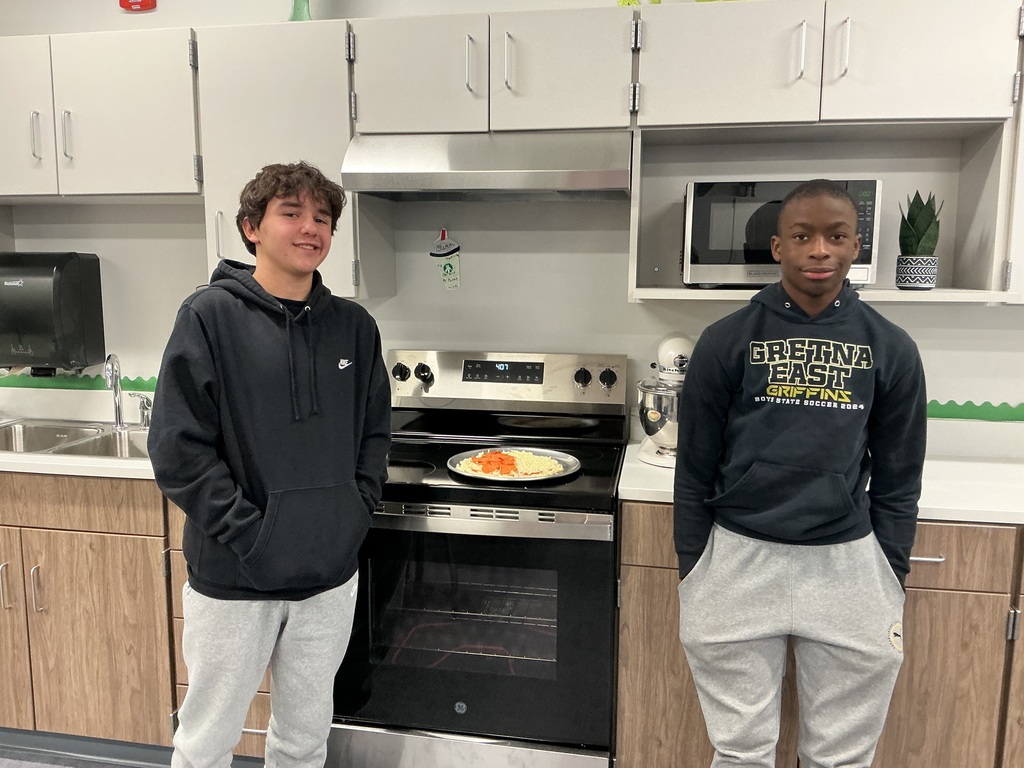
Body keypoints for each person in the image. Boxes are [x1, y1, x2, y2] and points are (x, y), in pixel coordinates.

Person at [673, 178, 927, 768]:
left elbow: (900, 476)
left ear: (856, 246)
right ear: (777, 247)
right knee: (740, 753)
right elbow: (694, 471)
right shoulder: (725, 341)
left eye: (836, 236)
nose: (820, 250)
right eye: (803, 236)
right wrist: (694, 568)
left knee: (840, 759)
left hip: (847, 564)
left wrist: (889, 571)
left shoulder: (891, 348)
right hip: (736, 559)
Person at [148, 161, 391, 768]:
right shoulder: (208, 318)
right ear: (252, 227)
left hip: (328, 579)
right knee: (207, 741)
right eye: (292, 213)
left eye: (323, 218)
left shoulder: (355, 329)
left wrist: (353, 512)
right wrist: (251, 534)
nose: (310, 228)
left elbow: (373, 433)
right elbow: (178, 449)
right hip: (235, 578)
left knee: (304, 740)